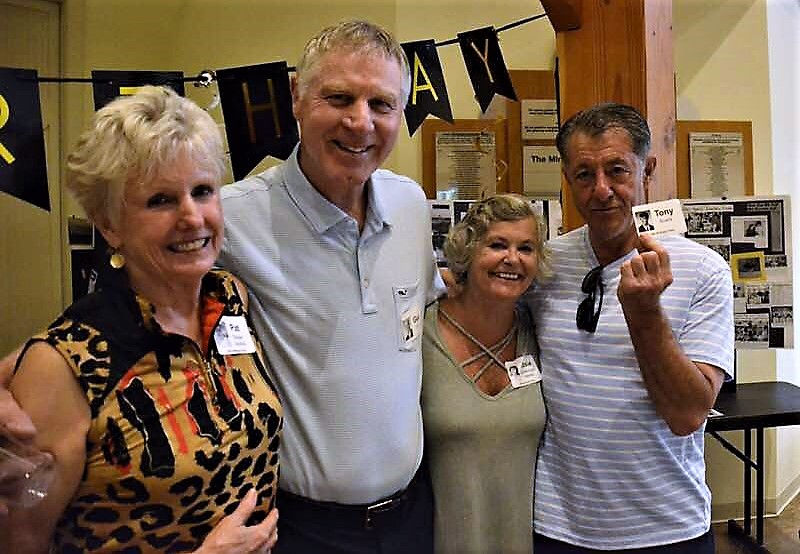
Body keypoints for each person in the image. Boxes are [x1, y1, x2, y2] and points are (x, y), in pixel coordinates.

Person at [0, 87, 282, 553]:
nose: (192, 217)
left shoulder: (231, 298)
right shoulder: (64, 365)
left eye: (202, 191)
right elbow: (21, 543)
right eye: (160, 200)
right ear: (110, 224)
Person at [217, 20, 442, 553]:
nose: (360, 123)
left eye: (381, 104)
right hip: (300, 528)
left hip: (411, 518)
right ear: (296, 96)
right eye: (339, 98)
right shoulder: (231, 218)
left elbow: (422, 313)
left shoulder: (411, 204)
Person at [528, 102, 733, 553]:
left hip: (666, 528)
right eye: (584, 174)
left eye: (617, 170)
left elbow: (687, 415)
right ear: (567, 179)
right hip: (557, 526)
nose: (601, 190)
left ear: (647, 170)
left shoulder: (703, 270)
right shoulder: (546, 263)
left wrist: (644, 314)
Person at [422, 195, 547, 554]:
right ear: (468, 251)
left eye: (526, 248)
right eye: (497, 245)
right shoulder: (420, 334)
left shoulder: (539, 333)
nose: (512, 259)